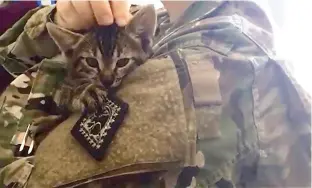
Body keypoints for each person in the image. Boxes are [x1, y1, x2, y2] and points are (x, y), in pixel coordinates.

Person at [0, 1, 310, 188]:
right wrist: (55, 24)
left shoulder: (212, 64)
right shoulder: (162, 22)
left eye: (118, 64)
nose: (108, 76)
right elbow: (8, 55)